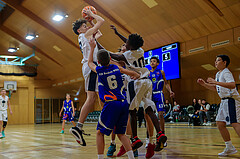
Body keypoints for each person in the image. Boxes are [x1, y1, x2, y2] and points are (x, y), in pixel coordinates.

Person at [109, 26, 167, 158]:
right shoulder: (140, 50)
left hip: (137, 83)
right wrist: (117, 33)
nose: (125, 43)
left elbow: (113, 55)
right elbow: (129, 43)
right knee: (149, 110)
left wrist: (96, 45)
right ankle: (160, 133)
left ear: (129, 46)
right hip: (147, 82)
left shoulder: (127, 55)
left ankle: (135, 138)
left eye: (126, 42)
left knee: (131, 111)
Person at [88, 38, 140, 159]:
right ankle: (131, 157)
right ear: (110, 60)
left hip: (111, 104)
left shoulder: (99, 70)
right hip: (123, 103)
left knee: (99, 133)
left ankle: (100, 157)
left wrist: (91, 48)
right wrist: (136, 75)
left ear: (99, 62)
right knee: (121, 134)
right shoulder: (117, 68)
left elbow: (90, 63)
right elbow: (132, 73)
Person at [70, 7, 105, 146]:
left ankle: (105, 120)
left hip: (92, 66)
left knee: (98, 96)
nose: (87, 26)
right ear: (80, 30)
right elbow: (101, 21)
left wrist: (90, 21)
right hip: (91, 66)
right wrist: (92, 15)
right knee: (91, 97)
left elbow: (99, 33)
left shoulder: (87, 34)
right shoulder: (85, 35)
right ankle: (78, 127)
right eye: (84, 25)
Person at [197, 54, 240, 156]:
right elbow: (216, 89)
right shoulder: (218, 74)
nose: (215, 62)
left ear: (224, 62)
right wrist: (204, 84)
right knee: (220, 123)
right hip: (223, 101)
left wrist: (215, 82)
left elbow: (232, 84)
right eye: (215, 60)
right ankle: (229, 147)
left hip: (231, 100)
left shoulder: (226, 72)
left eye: (218, 60)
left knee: (235, 123)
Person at [147, 56, 175, 148]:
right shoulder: (148, 73)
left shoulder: (161, 72)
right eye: (151, 61)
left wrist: (170, 91)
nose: (152, 62)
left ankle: (162, 137)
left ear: (157, 63)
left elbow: (166, 83)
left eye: (154, 61)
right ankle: (149, 139)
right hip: (150, 95)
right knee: (149, 117)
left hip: (159, 94)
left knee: (161, 115)